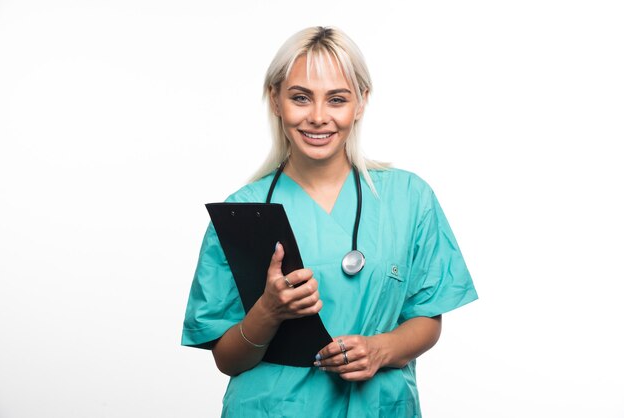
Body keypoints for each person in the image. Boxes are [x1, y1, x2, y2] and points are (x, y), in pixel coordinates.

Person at [182, 26, 478, 417]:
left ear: (361, 101)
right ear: (275, 99)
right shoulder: (243, 211)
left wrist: (379, 350)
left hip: (378, 406)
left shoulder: (408, 198)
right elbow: (227, 359)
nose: (318, 118)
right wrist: (269, 310)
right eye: (301, 98)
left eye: (336, 99)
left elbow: (427, 318)